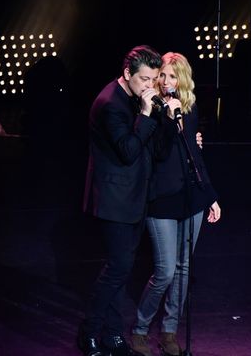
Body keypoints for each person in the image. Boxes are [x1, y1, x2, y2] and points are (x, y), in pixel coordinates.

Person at [129, 52, 221, 356]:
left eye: (173, 76)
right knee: (166, 270)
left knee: (184, 269)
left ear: (183, 79)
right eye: (163, 76)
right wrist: (169, 120)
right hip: (161, 199)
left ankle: (169, 331)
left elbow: (195, 156)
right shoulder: (150, 110)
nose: (167, 82)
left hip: (191, 196)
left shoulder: (189, 109)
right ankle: (140, 329)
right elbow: (158, 152)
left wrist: (210, 195)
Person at [79, 45, 165, 356]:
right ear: (127, 74)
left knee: (120, 269)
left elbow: (152, 146)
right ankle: (89, 331)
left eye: (153, 80)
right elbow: (128, 151)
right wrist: (145, 113)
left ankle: (113, 335)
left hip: (134, 197)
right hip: (114, 198)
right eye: (145, 79)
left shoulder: (133, 96)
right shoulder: (109, 104)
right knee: (118, 267)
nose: (149, 87)